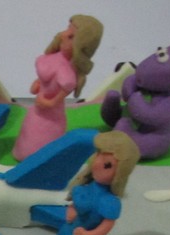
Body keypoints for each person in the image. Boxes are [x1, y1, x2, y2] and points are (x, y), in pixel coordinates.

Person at [47, 131, 139, 235]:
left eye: (107, 165)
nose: (96, 164)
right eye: (98, 155)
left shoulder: (108, 201)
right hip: (69, 233)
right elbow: (76, 201)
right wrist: (72, 209)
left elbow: (107, 224)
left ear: (119, 173)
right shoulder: (86, 185)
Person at [12, 15, 103, 161]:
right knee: (29, 130)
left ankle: (40, 158)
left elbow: (55, 101)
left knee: (41, 138)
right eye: (67, 30)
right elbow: (43, 81)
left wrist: (46, 102)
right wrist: (38, 84)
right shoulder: (52, 59)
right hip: (37, 110)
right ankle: (24, 152)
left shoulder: (66, 73)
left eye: (71, 36)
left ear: (81, 46)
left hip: (50, 116)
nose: (63, 35)